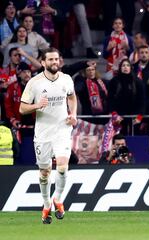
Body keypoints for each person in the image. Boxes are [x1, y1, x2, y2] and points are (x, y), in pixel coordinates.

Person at [19, 47, 77, 224]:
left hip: (62, 130)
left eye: (56, 59)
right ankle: (46, 205)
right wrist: (37, 106)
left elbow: (72, 97)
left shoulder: (66, 79)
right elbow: (22, 108)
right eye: (50, 60)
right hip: (43, 133)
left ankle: (57, 199)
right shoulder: (34, 83)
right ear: (43, 62)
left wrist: (73, 114)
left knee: (62, 165)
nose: (54, 63)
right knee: (45, 173)